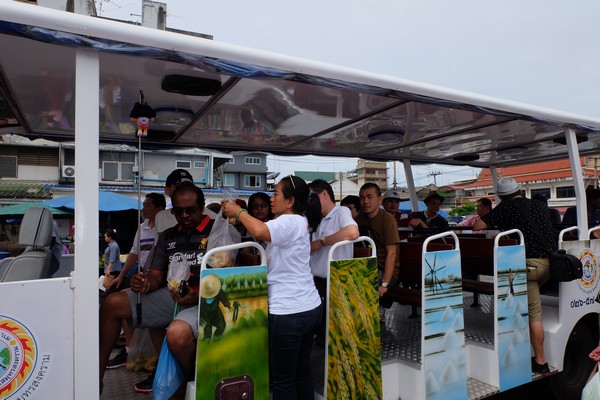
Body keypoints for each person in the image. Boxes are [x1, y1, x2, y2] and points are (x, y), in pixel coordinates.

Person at [99, 182, 213, 396]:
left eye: (190, 210)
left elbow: (226, 276)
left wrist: (197, 295)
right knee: (112, 303)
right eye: (178, 211)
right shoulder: (168, 236)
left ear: (202, 207)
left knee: (177, 333)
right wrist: (144, 283)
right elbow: (155, 276)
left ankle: (187, 384)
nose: (185, 216)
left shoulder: (219, 231)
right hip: (172, 297)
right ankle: (96, 379)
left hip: (206, 300)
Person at [221, 175, 322, 400]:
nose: (271, 198)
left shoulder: (289, 221)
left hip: (288, 312)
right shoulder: (297, 222)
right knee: (301, 372)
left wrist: (239, 211)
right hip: (308, 306)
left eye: (275, 194)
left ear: (290, 201)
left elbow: (260, 232)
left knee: (283, 380)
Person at [473, 177, 555, 374]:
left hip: (529, 266)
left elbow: (478, 226)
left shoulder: (506, 207)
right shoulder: (538, 205)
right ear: (520, 190)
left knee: (534, 314)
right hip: (550, 263)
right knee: (529, 304)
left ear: (501, 197)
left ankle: (541, 362)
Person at [105, 192, 166, 370]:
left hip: (160, 280)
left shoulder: (166, 227)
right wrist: (121, 275)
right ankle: (130, 352)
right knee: (124, 307)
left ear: (160, 208)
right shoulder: (142, 228)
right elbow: (134, 253)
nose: (144, 209)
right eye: (144, 205)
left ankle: (159, 360)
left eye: (148, 205)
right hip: (142, 278)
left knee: (153, 319)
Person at [307, 179, 359, 345]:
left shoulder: (341, 212)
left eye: (312, 198)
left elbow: (352, 232)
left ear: (324, 194)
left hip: (336, 280)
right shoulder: (315, 219)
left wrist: (321, 242)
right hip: (315, 280)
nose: (310, 203)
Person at [355, 183, 400, 301]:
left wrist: (384, 283)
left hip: (384, 271)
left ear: (379, 200)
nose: (365, 201)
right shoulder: (359, 218)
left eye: (370, 197)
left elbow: (392, 253)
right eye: (362, 198)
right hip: (365, 266)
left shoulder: (388, 220)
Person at [155, 169, 217, 233]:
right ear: (167, 191)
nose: (184, 215)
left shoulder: (214, 218)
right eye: (178, 187)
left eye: (188, 186)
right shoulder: (160, 217)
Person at [199, 274, 233, 339]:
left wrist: (228, 305)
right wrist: (200, 317)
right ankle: (207, 341)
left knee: (222, 326)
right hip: (206, 314)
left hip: (216, 312)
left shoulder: (218, 291)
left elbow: (223, 298)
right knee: (207, 330)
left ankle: (216, 338)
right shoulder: (201, 297)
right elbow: (199, 309)